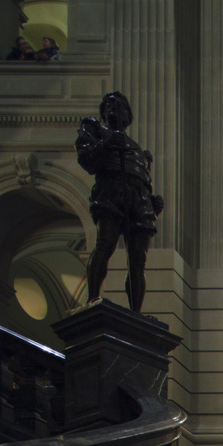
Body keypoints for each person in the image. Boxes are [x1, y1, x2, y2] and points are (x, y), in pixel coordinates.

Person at [76, 91, 164, 313]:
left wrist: (152, 203)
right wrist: (105, 146)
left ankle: (136, 313)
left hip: (139, 199)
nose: (115, 110)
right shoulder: (95, 129)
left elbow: (143, 179)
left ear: (128, 114)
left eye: (120, 106)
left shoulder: (138, 150)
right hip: (112, 190)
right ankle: (92, 299)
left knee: (138, 261)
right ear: (104, 113)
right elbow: (86, 159)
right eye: (110, 106)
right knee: (105, 245)